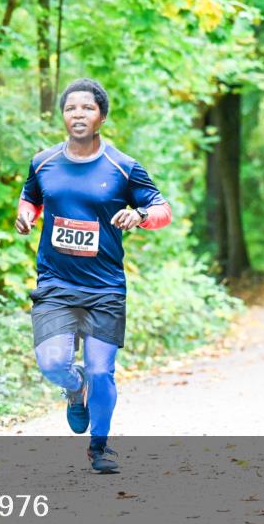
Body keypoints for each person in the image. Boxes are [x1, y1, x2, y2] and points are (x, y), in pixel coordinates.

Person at [15, 78, 171, 474]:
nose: (78, 114)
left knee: (103, 370)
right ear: (62, 116)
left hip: (104, 287)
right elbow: (31, 196)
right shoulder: (43, 162)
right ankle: (73, 386)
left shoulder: (124, 167)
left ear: (101, 115)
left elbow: (162, 209)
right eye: (71, 108)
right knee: (52, 363)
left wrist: (138, 216)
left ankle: (100, 447)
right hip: (56, 284)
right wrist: (26, 214)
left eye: (87, 108)